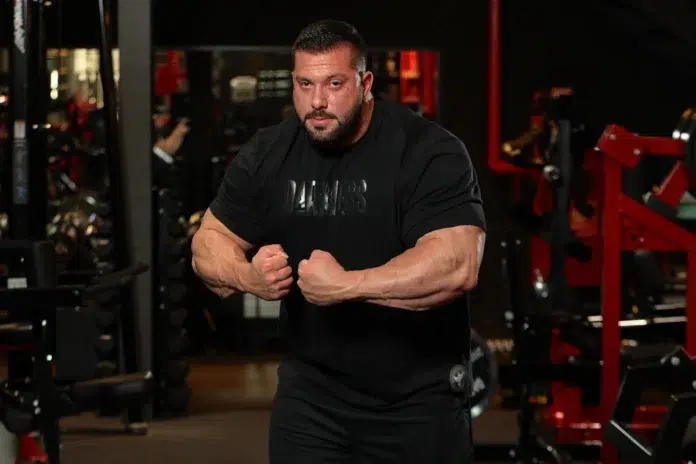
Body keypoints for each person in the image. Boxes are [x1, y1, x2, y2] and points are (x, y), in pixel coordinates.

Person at [191, 19, 486, 463]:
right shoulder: (269, 152)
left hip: (417, 402)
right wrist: (247, 276)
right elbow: (208, 241)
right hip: (311, 402)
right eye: (305, 84)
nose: (317, 102)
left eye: (334, 84)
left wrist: (346, 286)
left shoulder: (426, 150)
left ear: (365, 84)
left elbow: (457, 264)